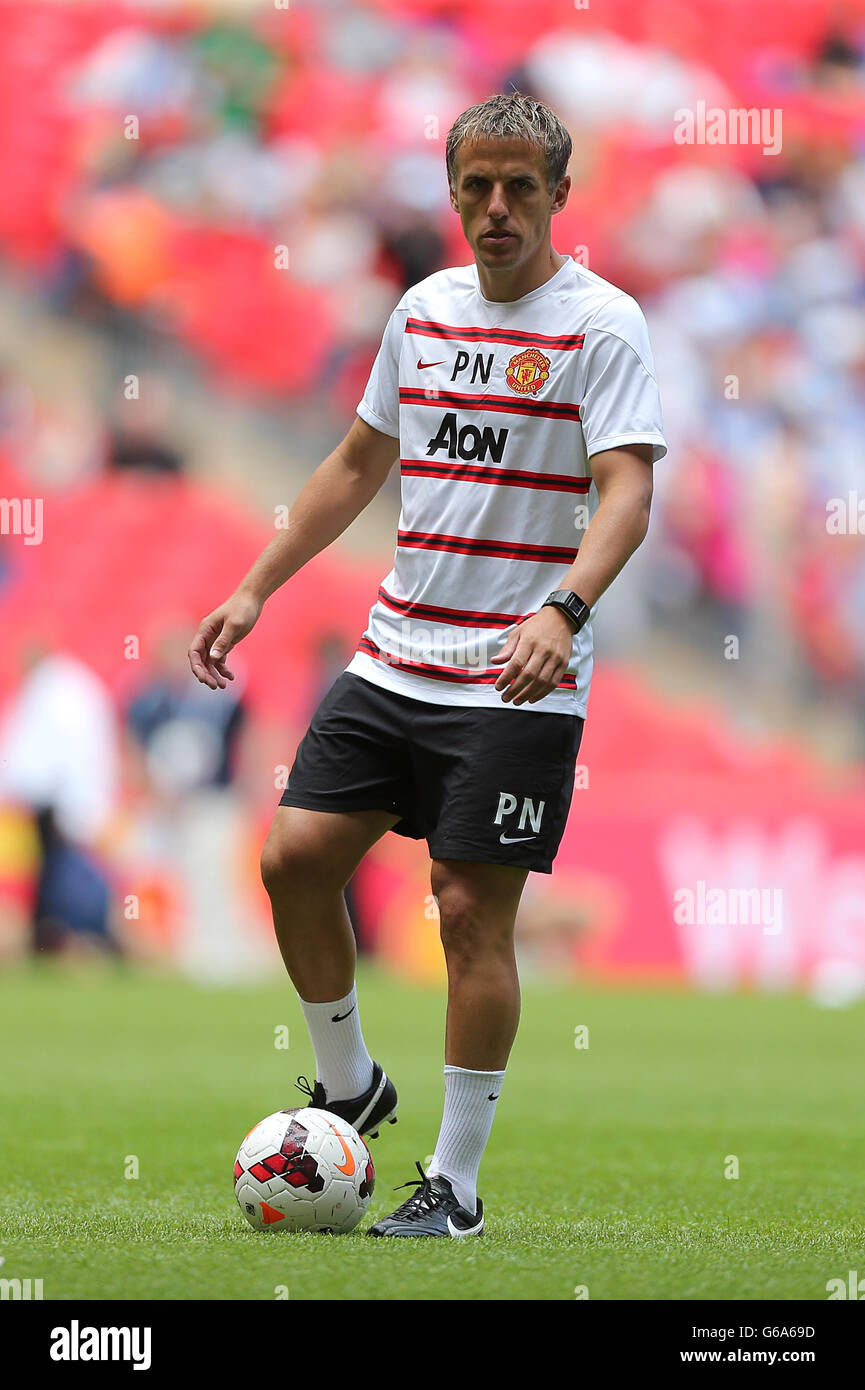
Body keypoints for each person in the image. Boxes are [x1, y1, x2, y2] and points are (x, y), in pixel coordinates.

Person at [189, 93, 666, 1238]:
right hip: (397, 648)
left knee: (465, 910)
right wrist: (256, 584)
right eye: (476, 186)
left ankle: (451, 1185)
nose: (495, 207)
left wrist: (563, 606)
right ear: (450, 191)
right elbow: (357, 463)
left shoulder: (601, 324)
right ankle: (351, 1084)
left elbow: (629, 490)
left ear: (560, 193)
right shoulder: (423, 309)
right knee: (293, 856)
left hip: (517, 668)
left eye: (519, 186)